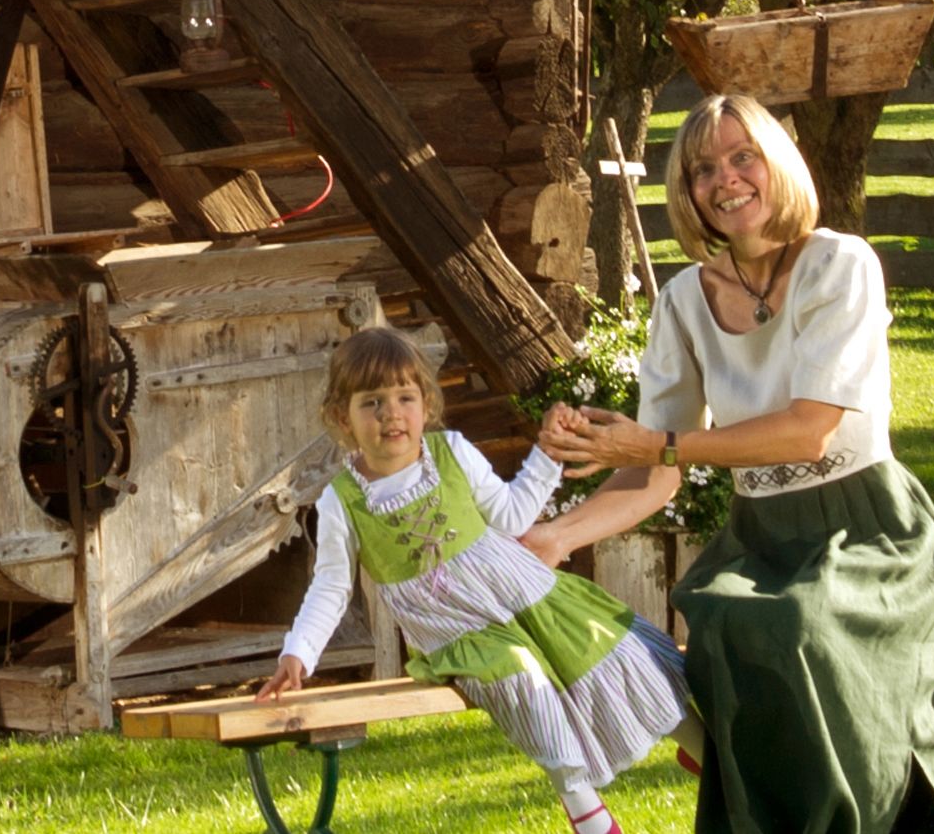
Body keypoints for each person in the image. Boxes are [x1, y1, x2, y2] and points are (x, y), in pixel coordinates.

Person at [536, 96, 934, 834]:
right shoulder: (683, 302)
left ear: (775, 164)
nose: (725, 180)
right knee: (721, 621)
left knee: (798, 628)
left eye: (741, 157)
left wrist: (656, 444)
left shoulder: (839, 265)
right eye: (702, 170)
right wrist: (554, 539)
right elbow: (654, 473)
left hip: (871, 531)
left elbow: (809, 432)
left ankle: (871, 818)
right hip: (761, 539)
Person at [260, 323, 691, 834]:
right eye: (371, 402)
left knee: (616, 650)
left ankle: (711, 753)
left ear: (426, 404)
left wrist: (548, 455)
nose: (391, 414)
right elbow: (332, 587)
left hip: (521, 594)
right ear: (342, 417)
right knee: (522, 679)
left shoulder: (452, 453)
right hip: (460, 632)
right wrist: (298, 654)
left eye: (404, 397)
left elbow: (510, 515)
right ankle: (588, 814)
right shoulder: (342, 499)